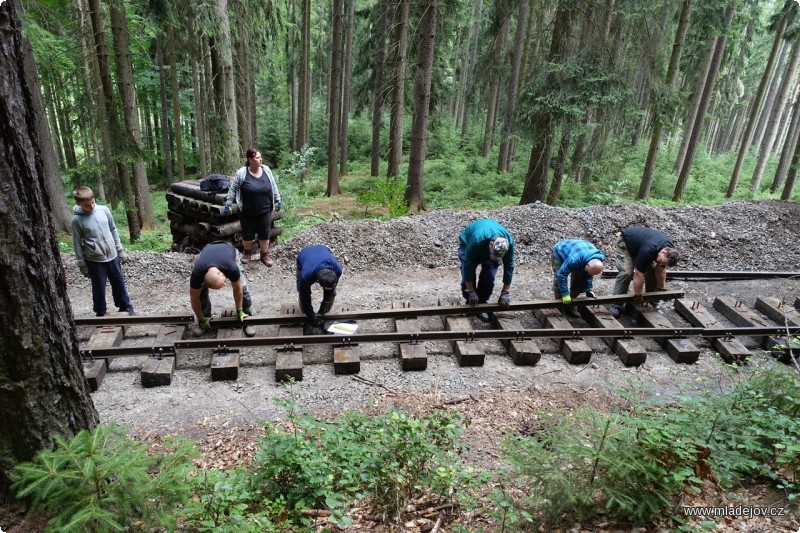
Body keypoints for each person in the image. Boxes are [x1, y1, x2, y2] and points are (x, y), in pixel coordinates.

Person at [70, 187, 134, 317]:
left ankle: (125, 307)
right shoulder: (76, 220)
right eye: (87, 205)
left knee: (118, 282)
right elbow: (77, 243)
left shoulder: (104, 210)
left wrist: (120, 250)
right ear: (78, 204)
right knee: (99, 287)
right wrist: (82, 265)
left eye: (93, 202)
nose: (91, 206)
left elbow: (113, 230)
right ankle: (100, 312)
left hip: (112, 255)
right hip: (94, 260)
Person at [224, 147, 282, 267]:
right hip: (247, 211)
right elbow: (233, 189)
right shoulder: (242, 173)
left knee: (264, 233)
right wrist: (228, 204)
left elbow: (273, 185)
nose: (260, 160)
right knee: (247, 233)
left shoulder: (266, 170)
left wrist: (277, 199)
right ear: (250, 159)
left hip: (265, 209)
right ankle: (247, 253)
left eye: (261, 157)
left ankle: (264, 255)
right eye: (257, 158)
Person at [610, 226, 680, 318]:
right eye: (661, 261)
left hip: (642, 245)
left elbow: (660, 269)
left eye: (663, 263)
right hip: (626, 243)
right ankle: (616, 304)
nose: (660, 263)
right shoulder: (648, 250)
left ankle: (653, 302)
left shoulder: (670, 250)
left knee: (652, 273)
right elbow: (638, 275)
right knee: (626, 273)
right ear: (662, 252)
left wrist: (662, 288)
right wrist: (638, 295)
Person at [189, 241, 255, 336]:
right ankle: (204, 320)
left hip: (227, 249)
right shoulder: (198, 273)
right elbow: (194, 297)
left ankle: (247, 317)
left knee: (242, 286)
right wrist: (200, 318)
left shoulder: (231, 267)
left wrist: (239, 309)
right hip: (207, 249)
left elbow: (237, 289)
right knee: (200, 292)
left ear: (221, 273)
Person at [458, 218, 514, 322]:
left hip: (487, 247)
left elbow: (509, 265)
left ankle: (482, 303)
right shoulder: (477, 240)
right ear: (491, 245)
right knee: (467, 277)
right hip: (468, 244)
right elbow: (468, 265)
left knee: (488, 278)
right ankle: (470, 301)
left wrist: (505, 291)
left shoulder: (508, 243)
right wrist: (471, 291)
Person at [551, 239, 605, 318]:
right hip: (560, 252)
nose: (587, 273)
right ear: (586, 265)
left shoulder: (598, 259)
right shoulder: (574, 260)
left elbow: (588, 275)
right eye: (586, 270)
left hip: (579, 252)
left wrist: (588, 288)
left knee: (580, 282)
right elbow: (561, 275)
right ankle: (559, 306)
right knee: (558, 281)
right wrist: (565, 294)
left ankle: (569, 306)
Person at [296, 245, 343, 335]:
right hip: (304, 255)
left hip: (322, 250)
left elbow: (330, 291)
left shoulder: (337, 270)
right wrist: (312, 316)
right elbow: (305, 298)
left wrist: (325, 303)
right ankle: (308, 318)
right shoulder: (306, 276)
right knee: (302, 291)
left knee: (332, 293)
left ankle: (324, 315)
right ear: (318, 282)